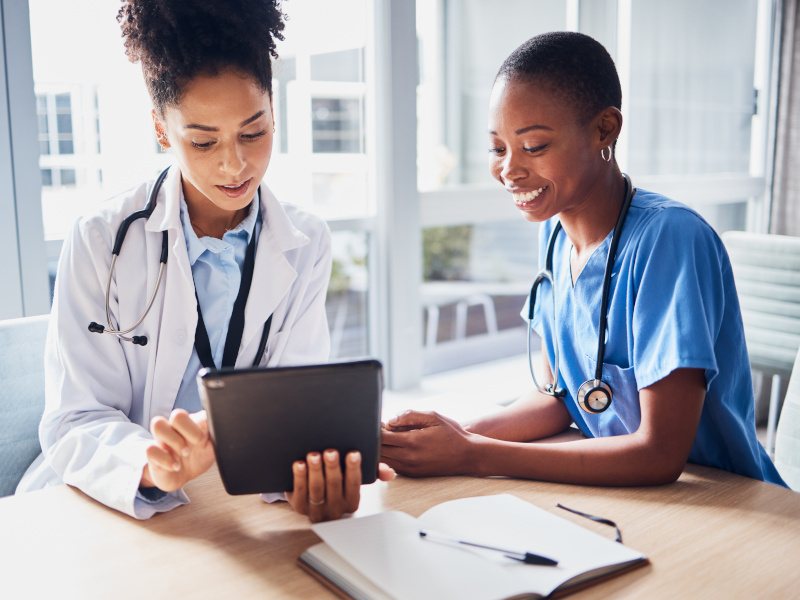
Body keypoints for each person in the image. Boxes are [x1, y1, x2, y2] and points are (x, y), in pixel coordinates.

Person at [18, 0, 393, 521]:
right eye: (202, 140)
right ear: (159, 128)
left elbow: (295, 404)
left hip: (230, 507)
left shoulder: (304, 240)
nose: (234, 163)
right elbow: (75, 420)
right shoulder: (102, 237)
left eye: (253, 132)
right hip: (106, 502)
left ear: (274, 110)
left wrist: (309, 475)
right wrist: (152, 466)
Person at [381, 31, 785, 487]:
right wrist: (450, 437)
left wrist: (474, 455)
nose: (509, 170)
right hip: (626, 491)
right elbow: (559, 398)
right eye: (498, 148)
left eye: (533, 146)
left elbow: (659, 453)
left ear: (604, 130)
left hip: (722, 498)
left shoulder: (671, 240)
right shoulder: (554, 236)